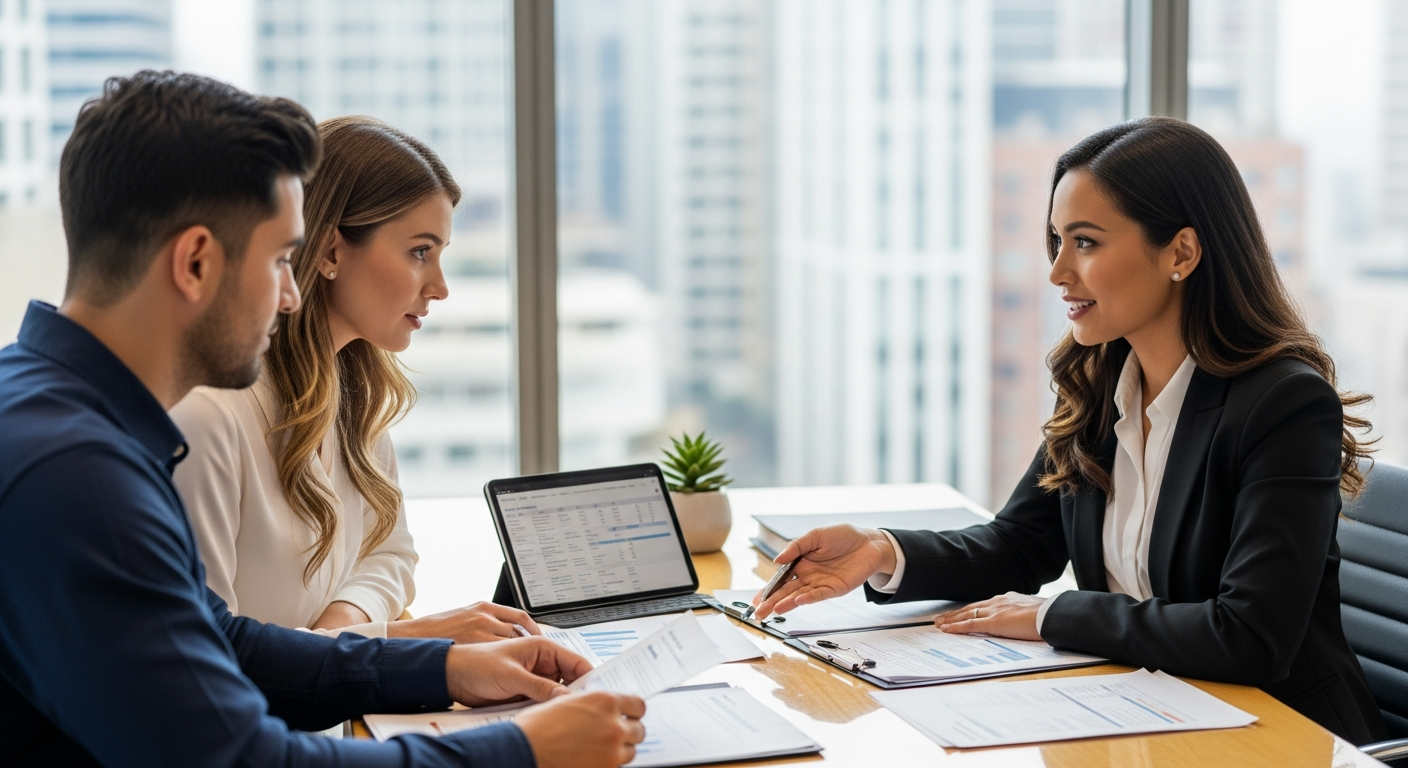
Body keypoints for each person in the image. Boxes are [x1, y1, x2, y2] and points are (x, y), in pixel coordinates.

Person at [0, 70, 644, 768]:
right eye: (281, 260)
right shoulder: (78, 475)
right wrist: (522, 750)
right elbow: (241, 760)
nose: (289, 294)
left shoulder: (60, 414)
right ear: (196, 263)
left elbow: (222, 643)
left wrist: (442, 666)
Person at [751, 117, 1387, 744]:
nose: (1057, 271)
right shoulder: (1101, 381)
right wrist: (881, 551)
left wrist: (1053, 615)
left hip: (1279, 735)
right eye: (1056, 241)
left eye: (1085, 242)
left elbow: (1249, 637)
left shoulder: (1282, 405)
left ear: (1181, 253)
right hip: (1143, 712)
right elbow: (1021, 544)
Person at [169, 115, 534, 643]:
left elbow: (391, 556)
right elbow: (209, 658)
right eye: (420, 252)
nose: (439, 287)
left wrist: (342, 631)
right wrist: (392, 646)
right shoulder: (210, 415)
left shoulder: (351, 392)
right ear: (330, 252)